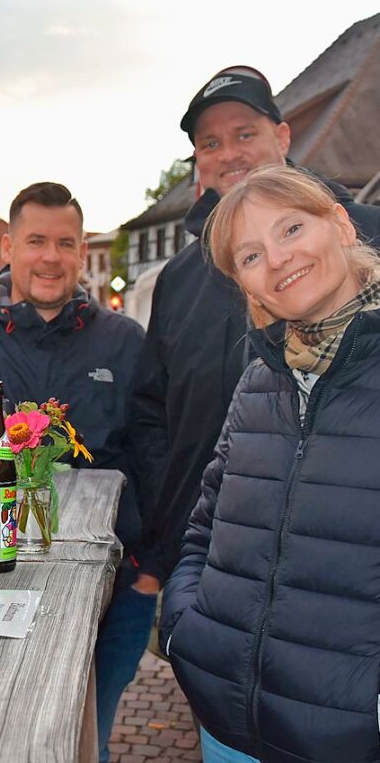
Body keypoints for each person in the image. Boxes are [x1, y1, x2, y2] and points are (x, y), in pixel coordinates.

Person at [161, 165, 380, 763]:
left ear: (339, 223)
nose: (278, 260)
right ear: (246, 285)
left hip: (351, 738)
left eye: (290, 229)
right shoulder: (262, 378)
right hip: (228, 724)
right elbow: (207, 524)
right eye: (251, 255)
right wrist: (186, 629)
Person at [0, 182, 151, 762]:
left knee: (84, 737)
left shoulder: (125, 342)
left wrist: (153, 563)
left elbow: (158, 452)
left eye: (66, 243)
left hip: (112, 586)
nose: (51, 256)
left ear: (81, 252)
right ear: (7, 247)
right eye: (36, 241)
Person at [131, 66, 380, 585]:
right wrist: (170, 531)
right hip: (209, 561)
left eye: (245, 134)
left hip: (342, 567)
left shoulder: (365, 232)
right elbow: (152, 409)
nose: (230, 153)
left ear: (282, 136)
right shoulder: (177, 278)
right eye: (211, 143)